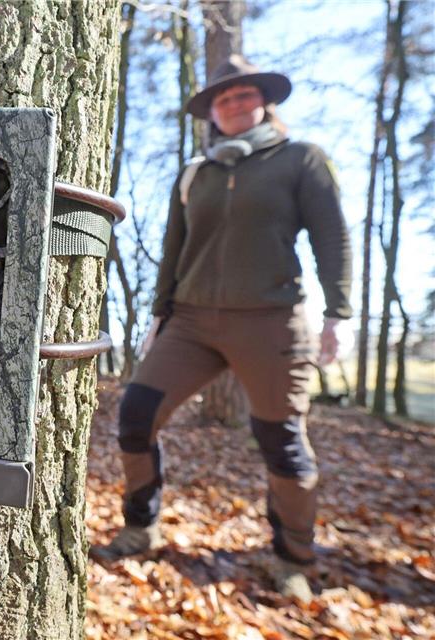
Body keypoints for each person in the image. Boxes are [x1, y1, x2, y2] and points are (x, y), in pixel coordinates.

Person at [93, 55, 352, 604]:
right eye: (223, 99)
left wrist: (340, 315)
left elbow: (333, 236)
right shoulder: (196, 173)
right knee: (136, 414)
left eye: (244, 95)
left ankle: (293, 559)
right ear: (211, 112)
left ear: (264, 102)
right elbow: (173, 250)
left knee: (282, 443)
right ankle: (142, 526)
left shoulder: (301, 159)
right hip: (190, 322)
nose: (234, 104)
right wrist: (158, 315)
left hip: (271, 322)